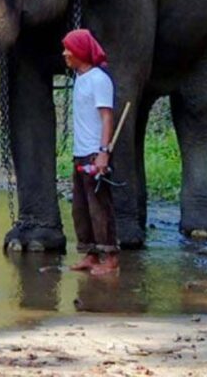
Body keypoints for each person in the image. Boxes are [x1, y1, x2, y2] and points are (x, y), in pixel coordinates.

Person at [62, 28, 119, 276]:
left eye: (69, 49)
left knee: (99, 206)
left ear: (81, 52)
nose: (65, 53)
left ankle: (111, 258)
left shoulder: (99, 79)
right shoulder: (80, 78)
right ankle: (90, 254)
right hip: (80, 152)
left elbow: (107, 117)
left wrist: (103, 151)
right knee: (81, 208)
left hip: (96, 153)